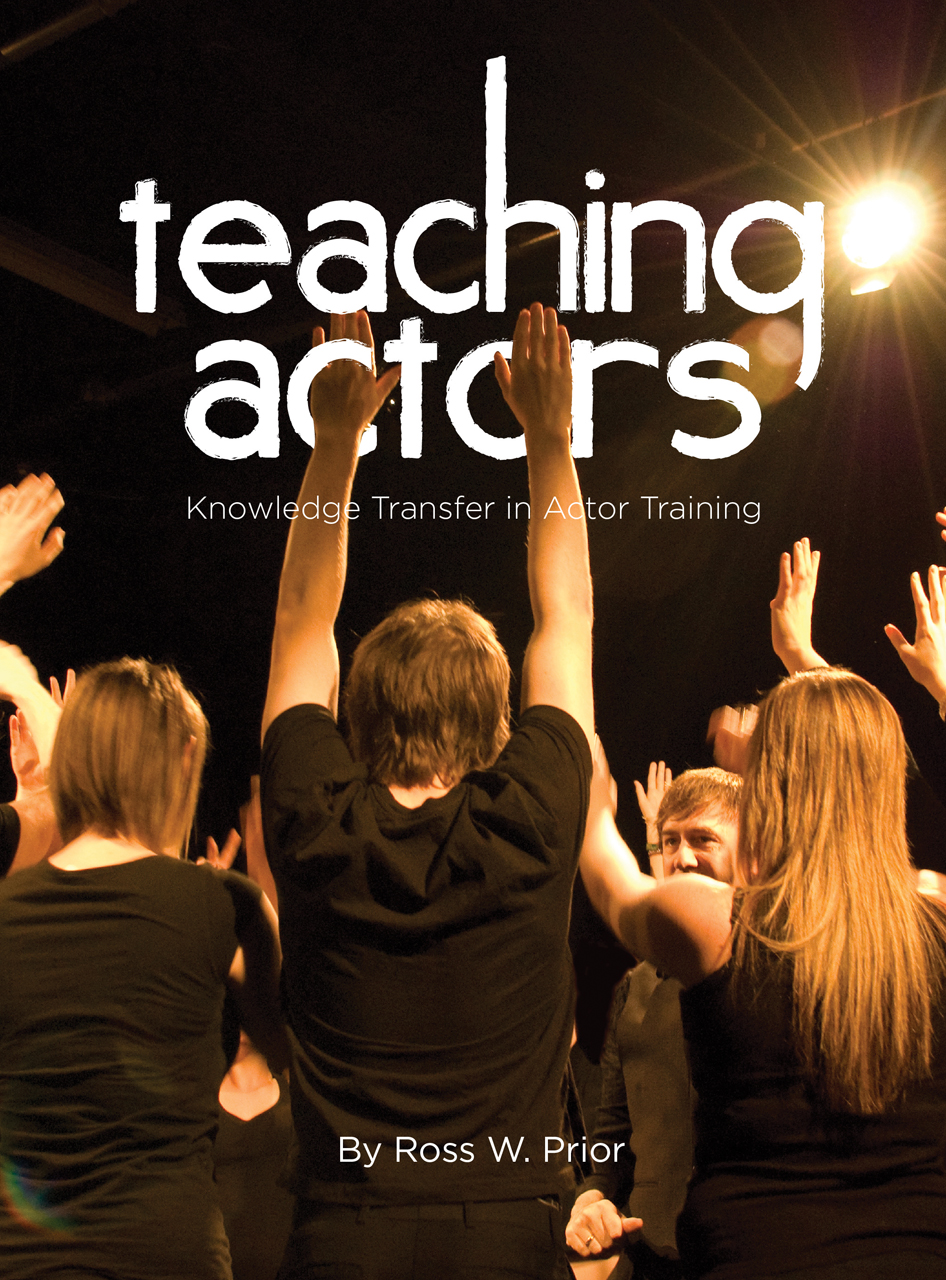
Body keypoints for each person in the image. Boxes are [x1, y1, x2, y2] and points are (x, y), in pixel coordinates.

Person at [260, 305, 594, 1279]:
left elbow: (300, 618)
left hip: (343, 1237)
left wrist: (335, 445)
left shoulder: (314, 817)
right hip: (505, 1234)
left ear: (357, 710)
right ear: (498, 720)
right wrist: (548, 439)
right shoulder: (530, 816)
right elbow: (565, 614)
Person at [580, 556, 946, 1277]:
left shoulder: (714, 926)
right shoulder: (934, 915)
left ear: (766, 792)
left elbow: (607, 876)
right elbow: (854, 769)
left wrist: (587, 786)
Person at [0, 649, 287, 1280]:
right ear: (185, 759)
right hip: (168, 1255)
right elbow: (297, 1049)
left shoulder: (7, 909)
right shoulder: (221, 906)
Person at [567, 767, 741, 1280]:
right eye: (670, 842)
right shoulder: (635, 987)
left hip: (747, 1254)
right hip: (653, 1259)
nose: (681, 857)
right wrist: (592, 1198)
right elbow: (613, 1133)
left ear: (751, 851)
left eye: (703, 839)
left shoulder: (776, 973)